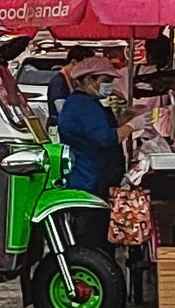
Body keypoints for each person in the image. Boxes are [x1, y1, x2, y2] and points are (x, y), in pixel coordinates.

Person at [54, 59, 128, 205]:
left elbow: (101, 129)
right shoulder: (82, 106)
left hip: (94, 180)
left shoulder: (88, 104)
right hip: (88, 182)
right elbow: (107, 138)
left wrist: (127, 118)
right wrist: (132, 126)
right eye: (106, 80)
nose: (109, 85)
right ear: (89, 80)